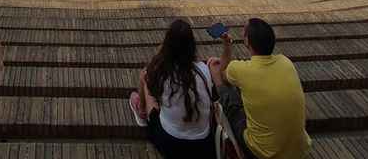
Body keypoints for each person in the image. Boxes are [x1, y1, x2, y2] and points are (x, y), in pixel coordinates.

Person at [207, 18, 311, 159]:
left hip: (263, 153)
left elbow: (222, 71)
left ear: (248, 42)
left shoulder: (242, 70)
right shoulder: (286, 62)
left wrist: (227, 44)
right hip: (299, 150)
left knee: (227, 93)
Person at [128, 20, 215, 158]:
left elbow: (151, 75)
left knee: (145, 77)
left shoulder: (162, 72)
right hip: (204, 144)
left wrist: (162, 51)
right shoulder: (203, 69)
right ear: (192, 45)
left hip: (171, 143)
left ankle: (142, 111)